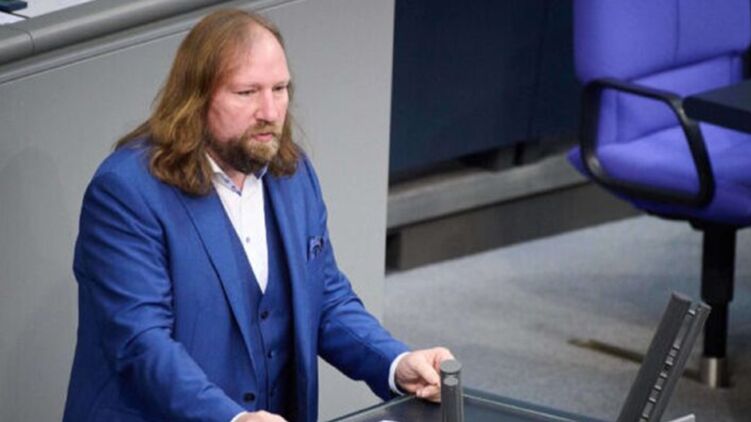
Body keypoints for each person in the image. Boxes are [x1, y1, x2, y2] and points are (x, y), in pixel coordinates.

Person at [62, 8, 453, 422]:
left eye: (280, 88)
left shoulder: (293, 174)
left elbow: (325, 299)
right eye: (247, 92)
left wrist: (395, 363)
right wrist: (232, 418)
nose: (270, 110)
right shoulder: (126, 192)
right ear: (196, 98)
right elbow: (141, 342)